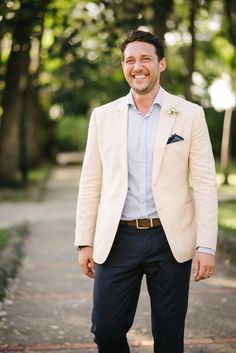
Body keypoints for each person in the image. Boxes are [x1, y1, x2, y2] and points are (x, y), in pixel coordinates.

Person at [75, 30, 218, 353]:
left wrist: (207, 245)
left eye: (145, 59)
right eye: (130, 60)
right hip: (116, 239)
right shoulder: (102, 117)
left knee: (169, 339)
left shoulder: (190, 114)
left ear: (161, 64)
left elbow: (206, 183)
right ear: (123, 67)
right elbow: (90, 181)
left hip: (169, 241)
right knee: (106, 331)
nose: (137, 66)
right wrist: (84, 240)